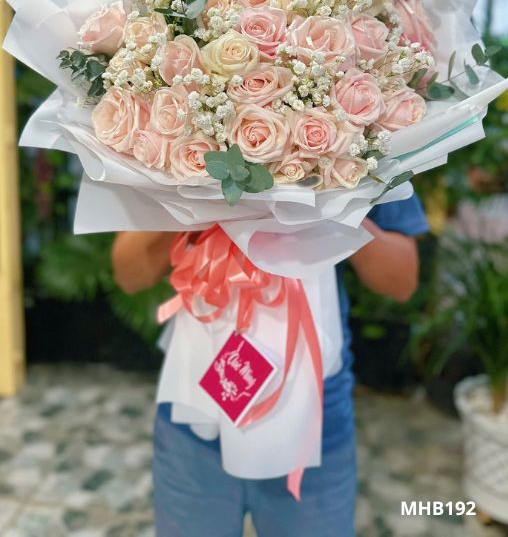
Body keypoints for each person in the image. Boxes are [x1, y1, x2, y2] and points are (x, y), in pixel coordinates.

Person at [113, 193, 428, 537]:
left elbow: (402, 282)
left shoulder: (365, 157)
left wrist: (335, 203)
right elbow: (130, 274)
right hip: (195, 417)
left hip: (314, 419)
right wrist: (187, 196)